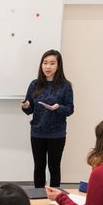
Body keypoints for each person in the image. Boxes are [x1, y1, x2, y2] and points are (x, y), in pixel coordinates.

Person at [21, 50, 74, 188]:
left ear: (58, 66)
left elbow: (70, 109)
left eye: (52, 63)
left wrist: (58, 108)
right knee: (39, 166)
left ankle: (56, 198)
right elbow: (29, 109)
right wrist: (26, 106)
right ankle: (39, 197)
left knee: (54, 166)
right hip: (37, 132)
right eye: (45, 63)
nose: (48, 67)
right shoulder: (34, 84)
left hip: (57, 133)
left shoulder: (65, 86)